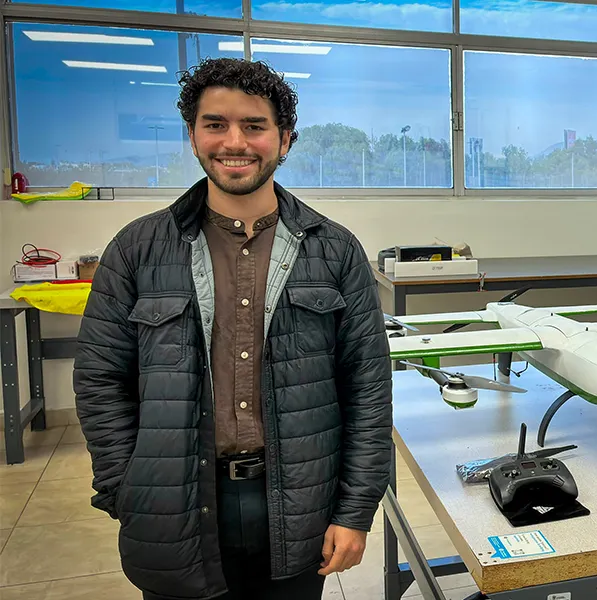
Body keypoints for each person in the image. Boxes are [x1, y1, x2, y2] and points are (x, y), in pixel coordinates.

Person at [73, 57, 393, 600]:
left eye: (254, 125)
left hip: (298, 500)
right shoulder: (137, 249)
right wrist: (127, 488)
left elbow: (367, 388)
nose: (234, 142)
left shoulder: (334, 250)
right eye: (215, 124)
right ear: (193, 137)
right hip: (177, 499)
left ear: (285, 139)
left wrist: (355, 509)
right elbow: (101, 381)